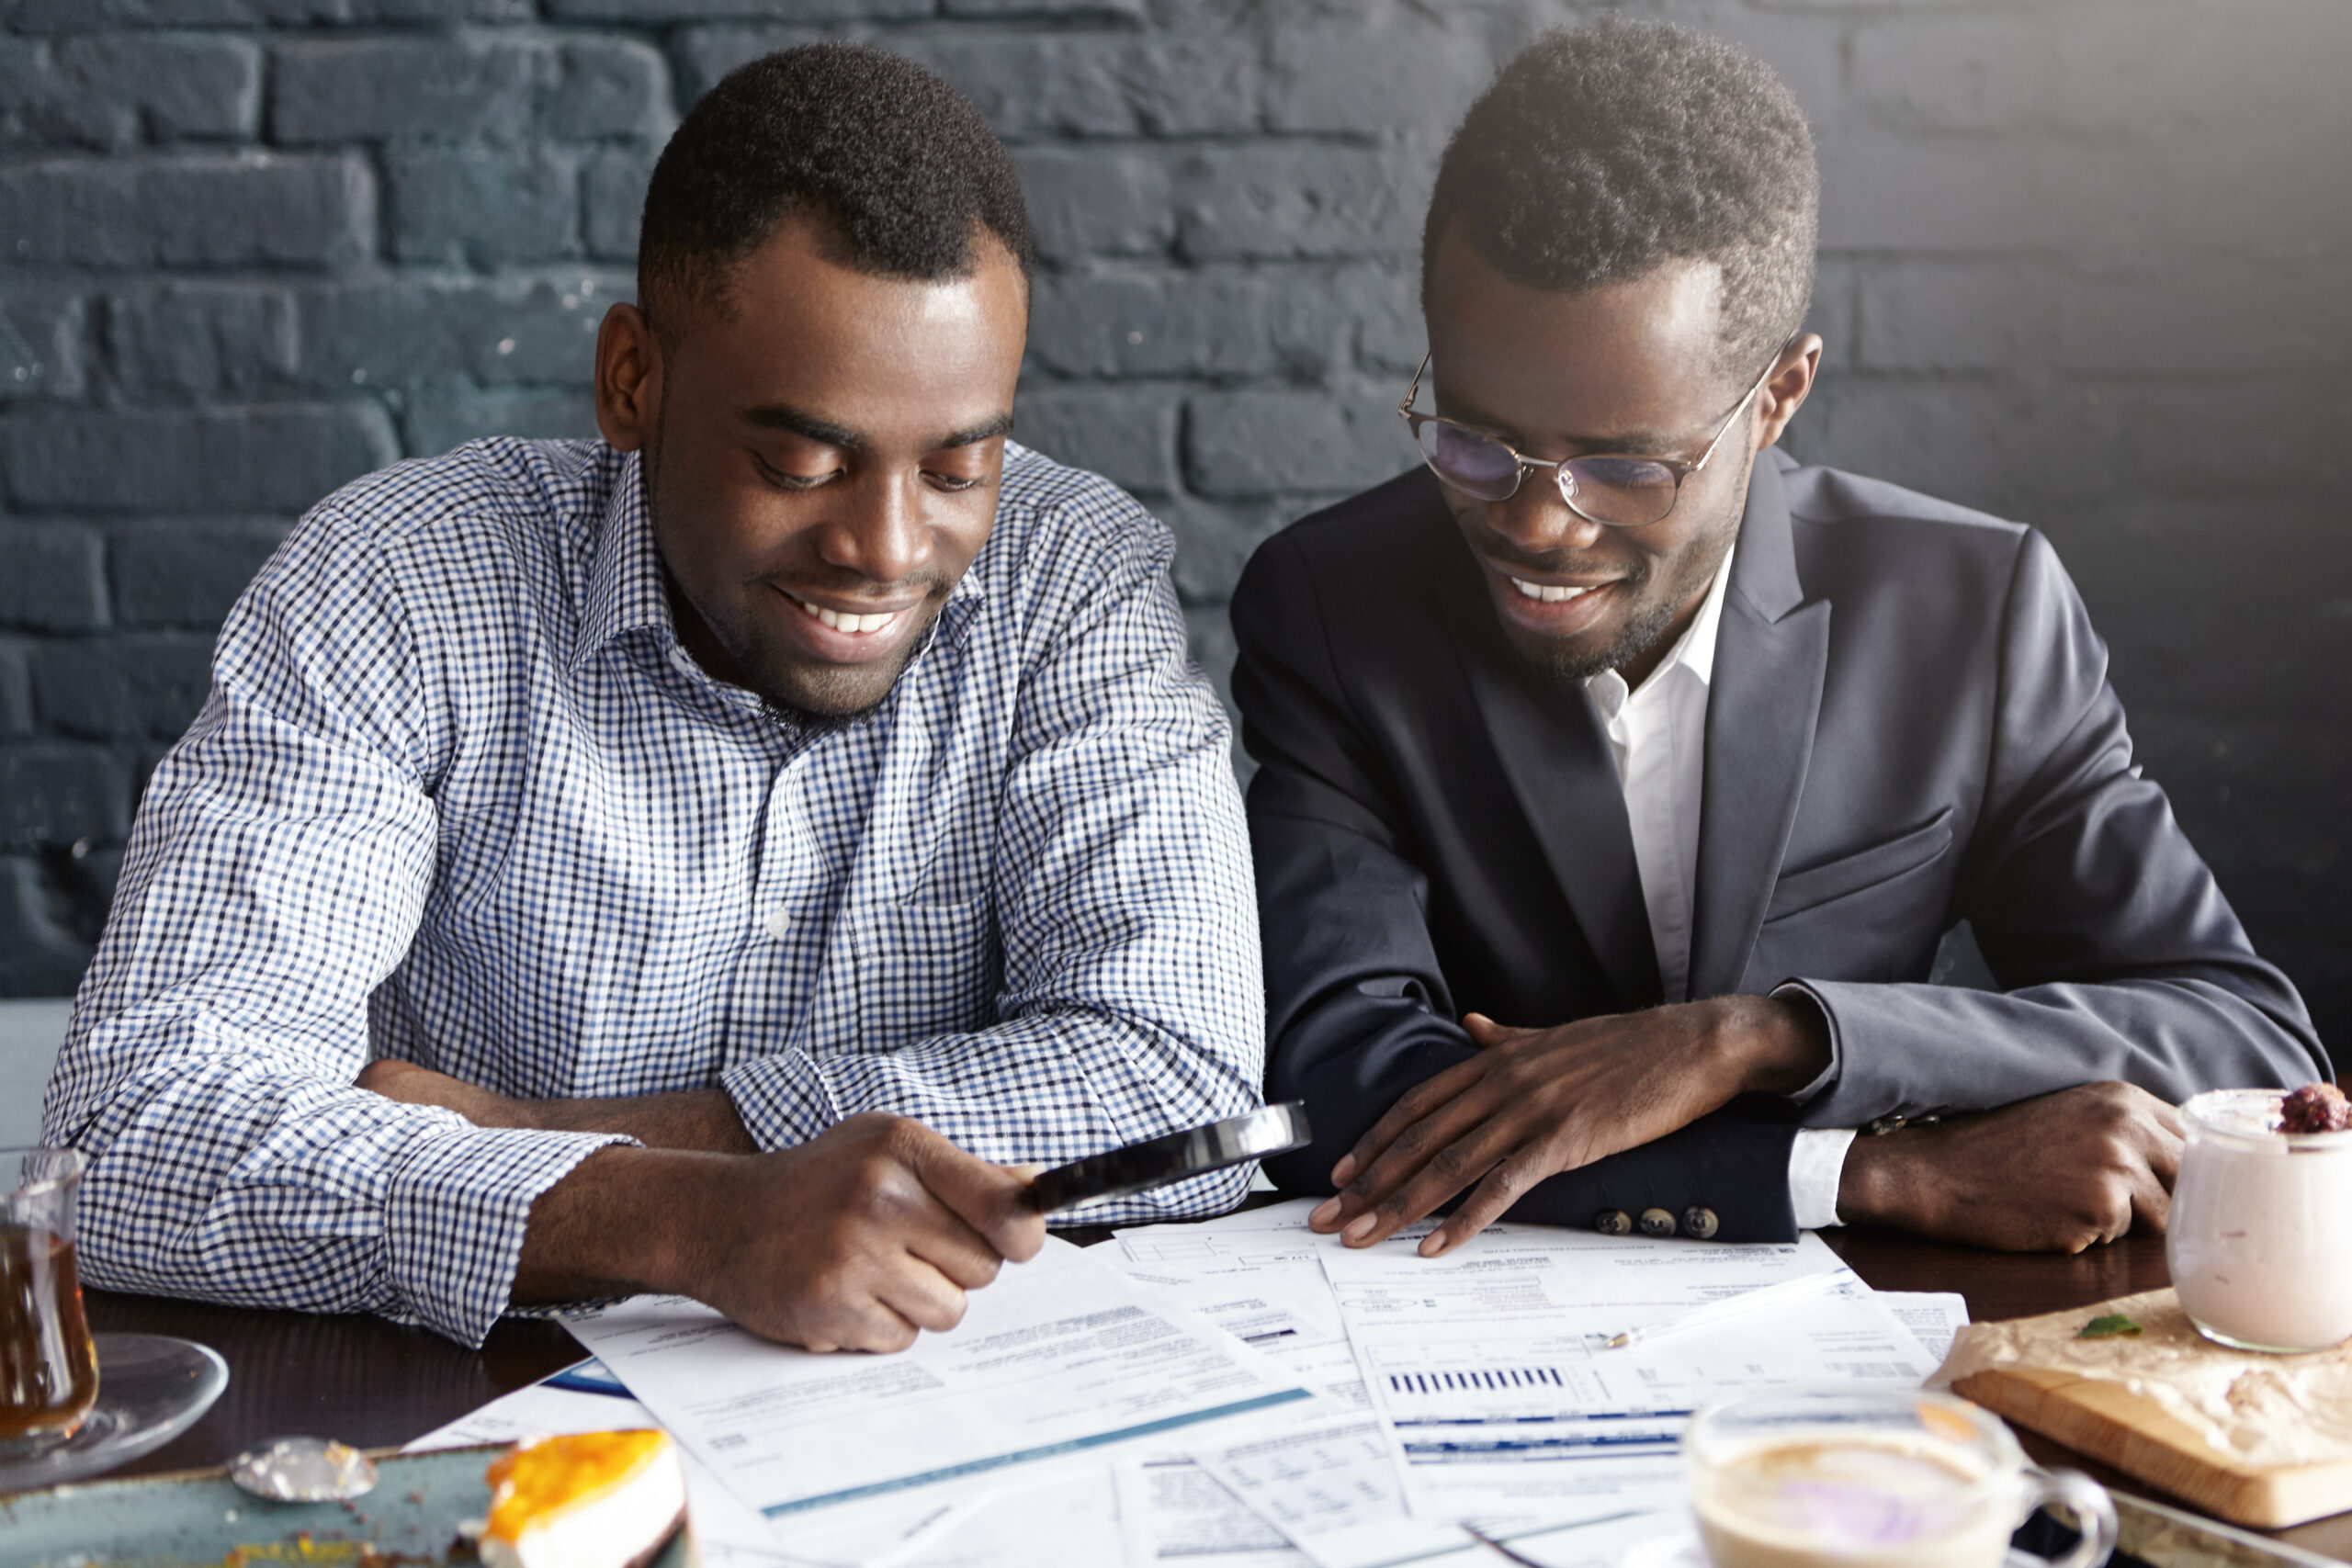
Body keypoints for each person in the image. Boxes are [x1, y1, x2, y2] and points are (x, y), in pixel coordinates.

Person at [45, 44, 1262, 1352]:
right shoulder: (400, 583)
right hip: (472, 1404)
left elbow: (1179, 1086)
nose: (888, 547)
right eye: (802, 462)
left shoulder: (1073, 584)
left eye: (961, 467)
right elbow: (131, 1129)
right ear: (634, 381)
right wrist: (681, 1220)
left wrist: (535, 1142)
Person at [1232, 18, 2325, 1260]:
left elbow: (2245, 1041)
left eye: (1628, 464)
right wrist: (1862, 1172)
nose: (1536, 519)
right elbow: (1337, 1096)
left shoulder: (1973, 614)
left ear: (1780, 396)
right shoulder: (1331, 609)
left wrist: (1756, 1039)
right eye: (1476, 440)